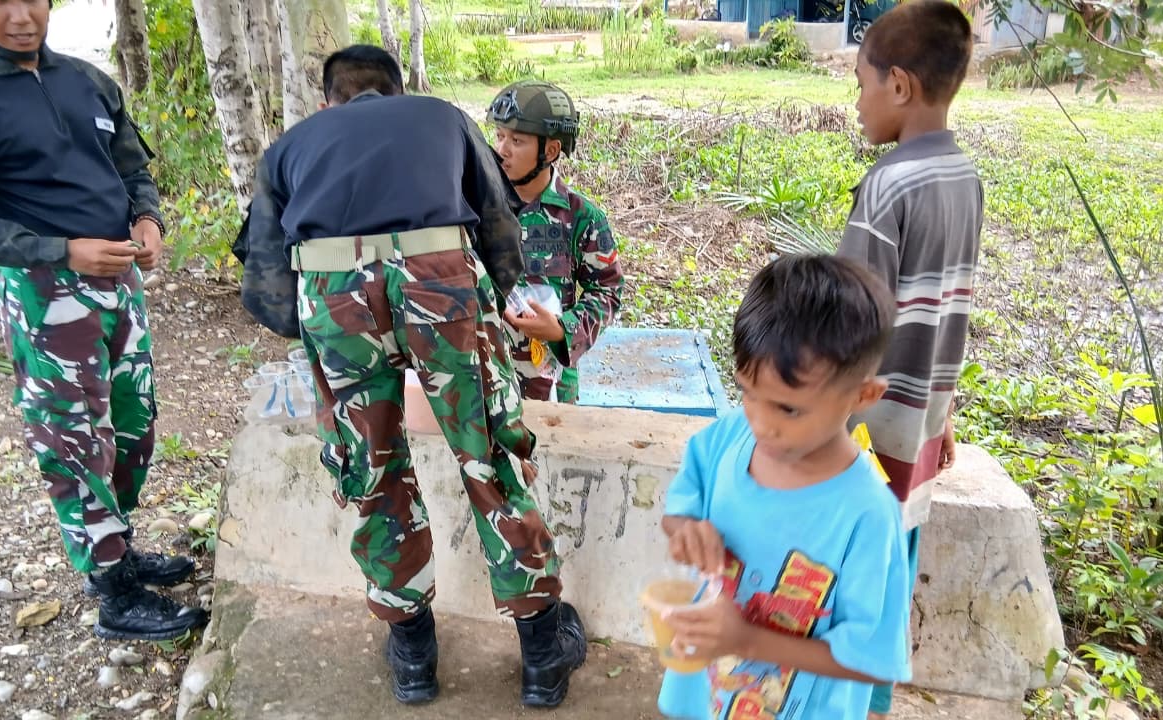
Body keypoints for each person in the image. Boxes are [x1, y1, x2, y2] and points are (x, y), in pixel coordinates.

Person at [235, 44, 586, 708]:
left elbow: (266, 283)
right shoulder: (442, 119)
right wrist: (488, 311)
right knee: (487, 457)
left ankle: (413, 653)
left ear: (328, 103)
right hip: (440, 278)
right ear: (399, 92)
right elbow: (497, 225)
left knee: (374, 469)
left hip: (332, 288)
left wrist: (326, 337)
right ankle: (542, 654)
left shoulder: (291, 146)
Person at [0, 0, 207, 641]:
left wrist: (147, 221)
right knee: (73, 438)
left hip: (120, 280)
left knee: (133, 425)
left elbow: (133, 168)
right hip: (45, 289)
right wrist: (61, 249)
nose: (20, 15)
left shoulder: (87, 80)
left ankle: (116, 547)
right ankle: (113, 592)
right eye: (0, 1)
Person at [656, 254, 911, 719]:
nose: (760, 424)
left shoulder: (868, 514)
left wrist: (747, 641)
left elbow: (868, 658)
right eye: (747, 394)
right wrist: (686, 530)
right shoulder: (724, 441)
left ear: (863, 395)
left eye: (788, 409)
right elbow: (679, 510)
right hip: (707, 700)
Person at [833, 2, 983, 716]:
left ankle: (843, 701)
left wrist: (817, 427)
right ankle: (875, 704)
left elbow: (847, 325)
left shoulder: (888, 185)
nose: (856, 101)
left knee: (850, 577)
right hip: (920, 426)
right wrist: (943, 412)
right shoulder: (965, 179)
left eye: (860, 83)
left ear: (898, 85)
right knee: (896, 566)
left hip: (867, 433)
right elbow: (952, 309)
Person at [487, 79, 623, 403]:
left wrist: (564, 329)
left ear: (549, 151)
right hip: (486, 379)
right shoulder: (476, 211)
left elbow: (608, 291)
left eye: (517, 140)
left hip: (549, 385)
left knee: (549, 453)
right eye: (499, 136)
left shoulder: (582, 218)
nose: (502, 150)